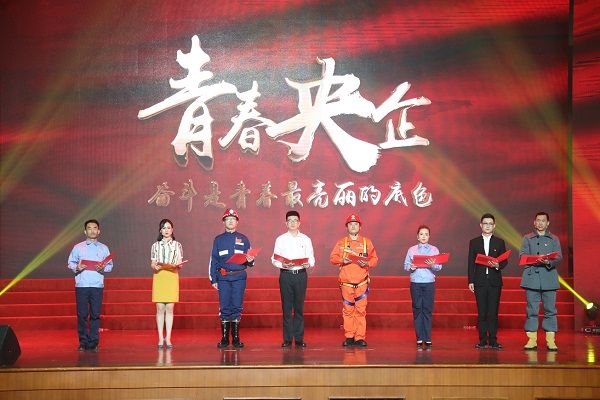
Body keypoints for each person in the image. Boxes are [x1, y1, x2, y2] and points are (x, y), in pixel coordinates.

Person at [330, 214, 378, 347]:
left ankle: (360, 337)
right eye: (350, 224)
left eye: (355, 224)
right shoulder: (341, 243)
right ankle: (349, 336)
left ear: (360, 227)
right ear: (347, 227)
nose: (353, 226)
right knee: (348, 311)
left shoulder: (367, 242)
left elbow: (374, 259)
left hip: (361, 283)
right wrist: (342, 260)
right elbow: (333, 258)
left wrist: (367, 263)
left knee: (361, 311)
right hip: (346, 283)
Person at [209, 209, 255, 348]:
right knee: (224, 307)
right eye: (227, 219)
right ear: (223, 222)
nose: (230, 221)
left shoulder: (244, 239)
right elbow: (213, 260)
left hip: (239, 277)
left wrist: (251, 259)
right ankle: (224, 338)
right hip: (223, 278)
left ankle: (235, 338)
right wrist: (213, 279)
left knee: (236, 306)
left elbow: (250, 261)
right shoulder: (218, 240)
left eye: (233, 219)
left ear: (237, 222)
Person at [271, 210, 315, 348]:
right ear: (286, 223)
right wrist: (282, 264)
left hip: (301, 275)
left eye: (295, 220)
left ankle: (299, 338)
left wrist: (309, 264)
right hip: (286, 275)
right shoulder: (280, 239)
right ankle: (288, 338)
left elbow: (311, 258)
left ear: (299, 222)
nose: (292, 223)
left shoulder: (306, 239)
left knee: (299, 307)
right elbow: (274, 258)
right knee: (286, 307)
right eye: (289, 220)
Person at [67, 219, 113, 351]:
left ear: (98, 231)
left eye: (94, 228)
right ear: (85, 231)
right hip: (82, 285)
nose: (92, 231)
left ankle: (93, 342)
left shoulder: (104, 248)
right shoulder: (78, 247)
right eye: (89, 228)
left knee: (95, 315)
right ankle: (83, 342)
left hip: (97, 285)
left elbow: (110, 266)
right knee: (82, 315)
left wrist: (103, 268)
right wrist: (77, 267)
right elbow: (70, 263)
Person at [519, 211, 562, 352]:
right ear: (534, 222)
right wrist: (536, 259)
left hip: (549, 277)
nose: (540, 223)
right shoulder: (527, 238)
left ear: (547, 223)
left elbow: (559, 257)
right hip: (532, 277)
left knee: (550, 310)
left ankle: (551, 341)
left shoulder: (554, 239)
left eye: (543, 220)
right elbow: (522, 256)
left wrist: (547, 261)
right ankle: (532, 340)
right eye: (538, 220)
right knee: (532, 309)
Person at [468, 213, 508, 350]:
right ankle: (482, 340)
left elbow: (505, 261)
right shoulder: (474, 242)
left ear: (494, 226)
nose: (488, 226)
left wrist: (497, 265)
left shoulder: (499, 242)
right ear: (481, 225)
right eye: (485, 223)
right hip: (479, 281)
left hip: (494, 281)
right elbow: (470, 263)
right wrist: (471, 281)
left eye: (490, 224)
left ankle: (493, 340)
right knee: (482, 312)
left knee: (493, 312)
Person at [404, 225, 442, 349]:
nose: (424, 236)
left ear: (429, 236)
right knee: (417, 310)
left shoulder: (434, 250)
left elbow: (439, 267)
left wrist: (433, 265)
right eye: (421, 234)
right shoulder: (412, 250)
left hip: (429, 283)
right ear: (417, 236)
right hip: (415, 283)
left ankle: (428, 338)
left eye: (426, 234)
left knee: (427, 310)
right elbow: (406, 265)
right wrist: (411, 267)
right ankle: (419, 338)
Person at [150, 218, 184, 349]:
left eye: (168, 228)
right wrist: (155, 267)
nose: (166, 230)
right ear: (160, 230)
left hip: (172, 275)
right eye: (164, 228)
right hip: (159, 276)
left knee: (170, 308)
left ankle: (168, 337)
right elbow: (153, 263)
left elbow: (180, 262)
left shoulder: (177, 245)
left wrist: (178, 265)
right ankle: (160, 337)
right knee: (160, 308)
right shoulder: (155, 245)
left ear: (172, 230)